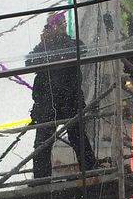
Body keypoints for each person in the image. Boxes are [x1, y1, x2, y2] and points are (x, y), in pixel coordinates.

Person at [26, 13, 97, 180]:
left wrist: (49, 44)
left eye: (64, 22)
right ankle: (88, 170)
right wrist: (49, 43)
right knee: (56, 140)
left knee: (66, 139)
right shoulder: (51, 46)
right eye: (60, 23)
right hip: (57, 101)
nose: (64, 25)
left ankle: (42, 180)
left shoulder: (65, 45)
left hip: (58, 100)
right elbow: (30, 61)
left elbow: (81, 50)